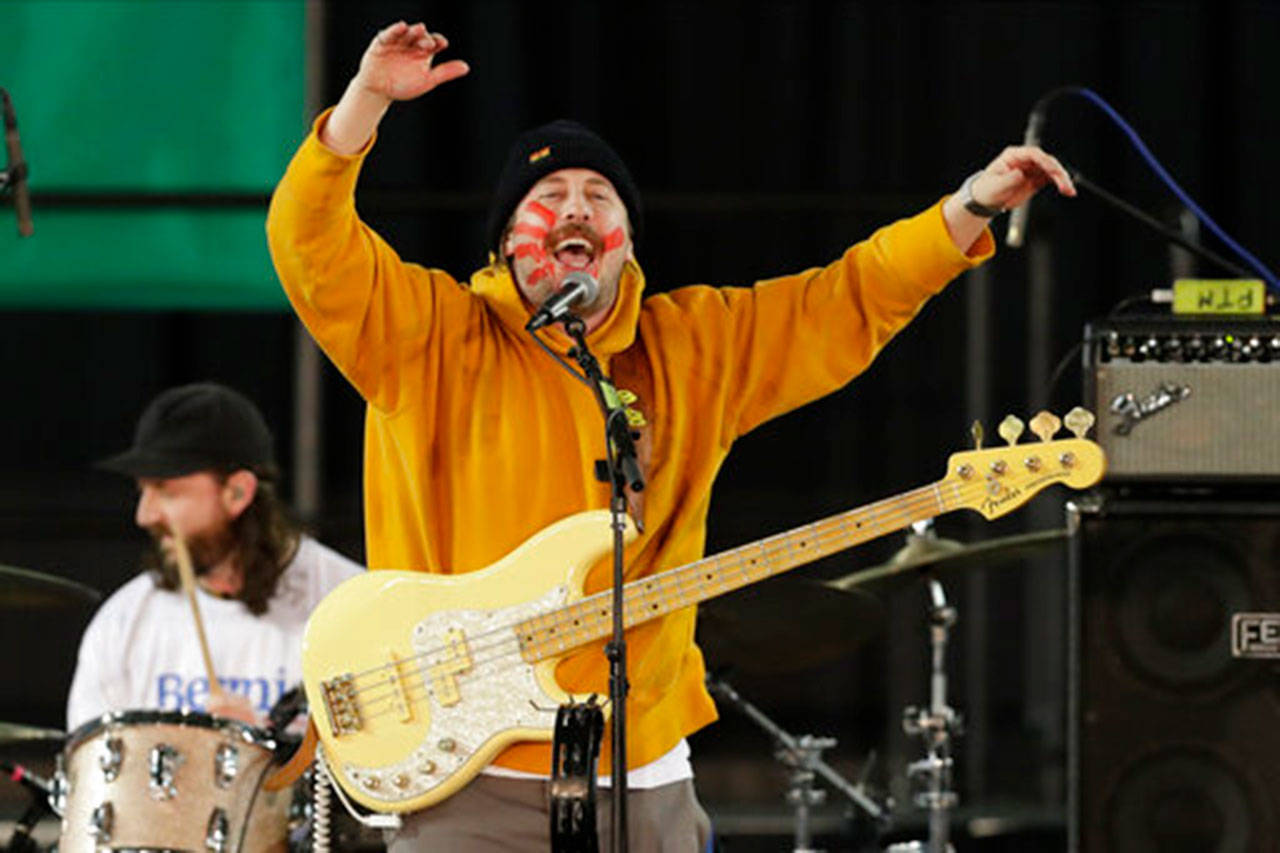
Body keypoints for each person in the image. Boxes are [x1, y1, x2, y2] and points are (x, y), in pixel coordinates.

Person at [266, 20, 1076, 852]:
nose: (574, 208)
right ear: (505, 241)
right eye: (549, 196)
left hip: (644, 774)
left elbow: (846, 300)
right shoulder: (431, 336)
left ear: (625, 245)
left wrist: (969, 205)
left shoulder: (691, 346)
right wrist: (364, 103)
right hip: (470, 777)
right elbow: (310, 245)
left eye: (599, 197)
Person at [66, 382, 364, 732]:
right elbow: (89, 760)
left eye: (166, 491)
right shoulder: (125, 621)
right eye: (142, 490)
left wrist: (257, 745)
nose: (145, 515)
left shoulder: (348, 606)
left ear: (237, 493)